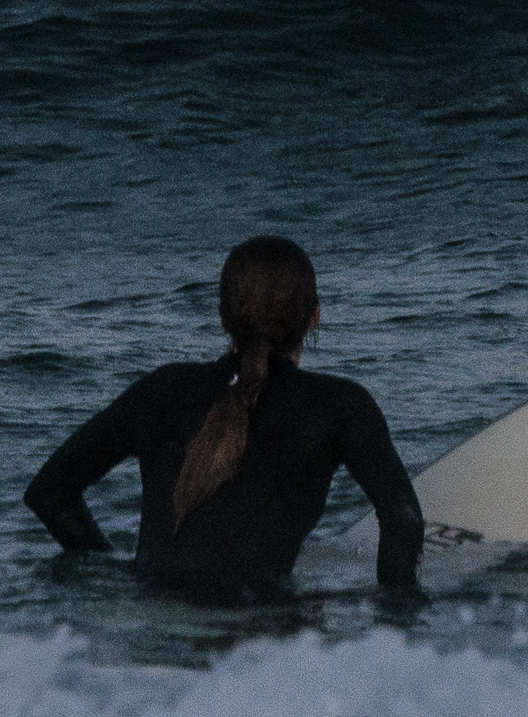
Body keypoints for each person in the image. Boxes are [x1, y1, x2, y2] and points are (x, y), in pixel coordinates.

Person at [23, 235, 421, 601]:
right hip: (258, 637)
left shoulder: (161, 389)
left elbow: (48, 494)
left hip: (153, 627)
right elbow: (402, 520)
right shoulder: (341, 404)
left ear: (222, 318)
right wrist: (398, 627)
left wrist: (121, 574)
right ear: (315, 317)